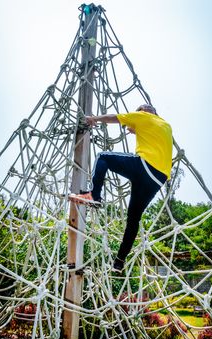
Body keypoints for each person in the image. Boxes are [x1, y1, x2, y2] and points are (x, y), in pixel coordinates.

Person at [69, 104, 173, 272]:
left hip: (146, 167)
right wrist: (135, 129)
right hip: (158, 179)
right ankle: (119, 261)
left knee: (103, 157)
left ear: (144, 112)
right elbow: (152, 135)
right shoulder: (166, 125)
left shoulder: (143, 116)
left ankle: (94, 196)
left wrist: (93, 119)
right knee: (133, 219)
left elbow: (114, 118)